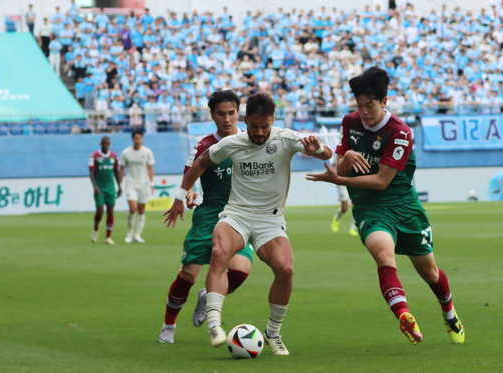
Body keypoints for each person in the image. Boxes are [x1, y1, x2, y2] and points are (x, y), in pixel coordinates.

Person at [163, 92, 332, 355]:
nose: (261, 132)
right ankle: (210, 325)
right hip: (233, 215)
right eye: (255, 126)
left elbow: (326, 153)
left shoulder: (285, 138)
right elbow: (200, 163)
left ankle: (273, 334)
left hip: (270, 218)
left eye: (266, 126)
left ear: (273, 120)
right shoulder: (230, 143)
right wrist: (181, 195)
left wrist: (318, 149)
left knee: (283, 270)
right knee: (210, 260)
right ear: (246, 121)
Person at [306, 67, 465, 345]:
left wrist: (338, 179)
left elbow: (381, 181)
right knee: (383, 256)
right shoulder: (350, 122)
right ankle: (404, 316)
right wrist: (347, 158)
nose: (364, 112)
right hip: (369, 207)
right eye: (359, 105)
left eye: (370, 105)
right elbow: (341, 164)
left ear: (384, 102)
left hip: (404, 206)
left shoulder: (400, 132)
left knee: (429, 272)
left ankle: (449, 313)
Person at [158, 90, 254, 344]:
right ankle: (169, 325)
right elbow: (190, 175)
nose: (227, 119)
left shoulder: (251, 140)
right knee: (188, 274)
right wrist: (185, 194)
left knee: (240, 272)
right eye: (221, 114)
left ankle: (207, 295)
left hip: (242, 217)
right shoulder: (204, 146)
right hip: (210, 216)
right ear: (212, 115)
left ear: (238, 114)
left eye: (231, 113)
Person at [119, 130, 155, 243]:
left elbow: (150, 168)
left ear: (142, 139)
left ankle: (137, 235)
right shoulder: (126, 152)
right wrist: (120, 184)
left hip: (143, 184)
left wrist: (152, 183)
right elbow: (121, 169)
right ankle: (130, 232)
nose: (138, 140)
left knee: (141, 210)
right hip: (131, 184)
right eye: (136, 138)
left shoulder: (147, 152)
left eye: (140, 138)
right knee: (132, 208)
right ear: (132, 139)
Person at [89, 137, 122, 244]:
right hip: (99, 188)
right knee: (100, 211)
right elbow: (91, 173)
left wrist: (119, 186)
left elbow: (116, 172)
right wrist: (95, 187)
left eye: (107, 143)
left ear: (110, 144)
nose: (105, 145)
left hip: (110, 188)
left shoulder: (114, 156)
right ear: (100, 144)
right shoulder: (94, 156)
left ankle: (108, 237)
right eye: (104, 143)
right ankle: (96, 229)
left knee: (110, 211)